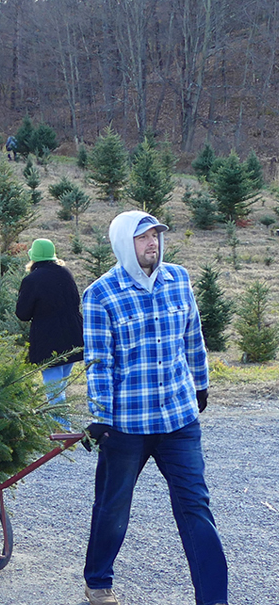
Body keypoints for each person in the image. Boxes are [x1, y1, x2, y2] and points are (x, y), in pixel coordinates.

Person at [79, 211, 226, 605]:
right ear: (125, 243)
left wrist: (200, 384)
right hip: (127, 424)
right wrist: (99, 416)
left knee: (195, 506)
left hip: (179, 419)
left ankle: (213, 599)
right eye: (143, 237)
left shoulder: (178, 279)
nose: (153, 244)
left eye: (157, 235)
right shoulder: (100, 294)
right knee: (113, 506)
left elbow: (193, 336)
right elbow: (99, 361)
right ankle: (97, 580)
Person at [15, 239, 83, 429]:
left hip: (48, 340)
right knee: (60, 385)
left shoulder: (32, 280)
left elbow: (22, 313)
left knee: (53, 389)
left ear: (33, 257)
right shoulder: (65, 273)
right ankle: (61, 425)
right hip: (73, 335)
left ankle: (61, 429)